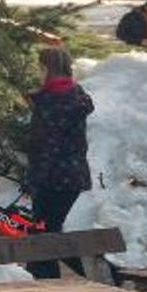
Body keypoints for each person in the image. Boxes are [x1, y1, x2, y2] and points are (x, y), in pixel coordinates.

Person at [22, 42, 95, 259]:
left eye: (39, 68)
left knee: (42, 238)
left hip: (53, 179)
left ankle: (95, 273)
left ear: (46, 69)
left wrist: (33, 181)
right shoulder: (75, 95)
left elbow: (46, 147)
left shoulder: (50, 102)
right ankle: (93, 272)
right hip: (73, 176)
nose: (38, 74)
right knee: (50, 233)